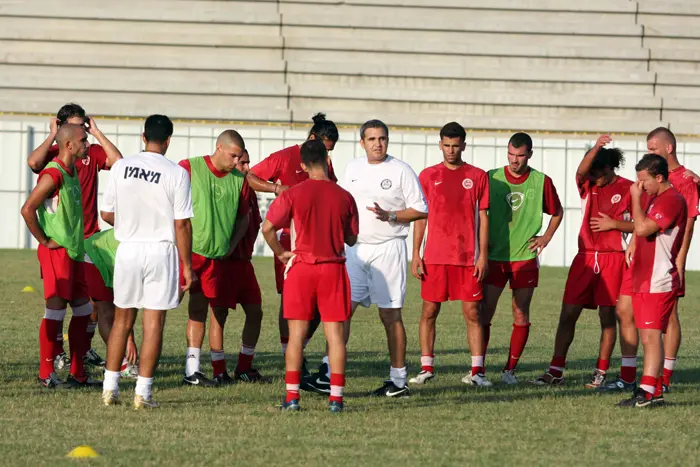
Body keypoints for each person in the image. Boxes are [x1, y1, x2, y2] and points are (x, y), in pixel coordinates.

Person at [100, 115, 194, 409]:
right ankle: (143, 393)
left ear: (143, 136)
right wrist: (187, 266)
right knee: (153, 325)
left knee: (121, 321)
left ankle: (110, 388)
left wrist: (130, 222)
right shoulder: (176, 172)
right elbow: (182, 225)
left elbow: (106, 213)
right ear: (168, 140)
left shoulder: (121, 166)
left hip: (127, 248)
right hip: (160, 250)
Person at [261, 138, 359, 412]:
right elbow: (351, 239)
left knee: (295, 336)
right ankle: (336, 399)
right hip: (333, 269)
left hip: (301, 269)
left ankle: (292, 398)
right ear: (328, 161)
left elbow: (267, 228)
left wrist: (281, 252)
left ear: (303, 165)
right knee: (335, 337)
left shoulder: (293, 194)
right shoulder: (344, 196)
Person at [599, 127, 699, 393]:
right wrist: (632, 241)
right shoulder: (648, 179)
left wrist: (680, 259)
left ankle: (662, 379)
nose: (649, 152)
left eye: (653, 148)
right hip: (643, 255)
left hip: (665, 260)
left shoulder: (684, 181)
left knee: (667, 319)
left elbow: (688, 223)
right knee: (625, 310)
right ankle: (630, 377)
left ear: (668, 148)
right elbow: (641, 219)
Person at [27, 103, 123, 370]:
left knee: (87, 306)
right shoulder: (56, 161)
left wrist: (97, 132)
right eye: (78, 128)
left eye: (84, 127)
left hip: (87, 240)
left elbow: (118, 162)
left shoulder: (88, 152)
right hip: (60, 246)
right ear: (65, 134)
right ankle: (54, 359)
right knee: (59, 305)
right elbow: (32, 172)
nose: (85, 134)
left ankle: (80, 360)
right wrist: (45, 241)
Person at [532, 135, 632, 387]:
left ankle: (600, 373)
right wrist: (596, 146)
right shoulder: (588, 185)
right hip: (585, 259)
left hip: (614, 260)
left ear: (609, 169)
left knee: (607, 318)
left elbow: (641, 224)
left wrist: (615, 224)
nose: (592, 178)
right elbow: (581, 170)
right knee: (568, 314)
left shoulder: (630, 188)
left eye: (598, 174)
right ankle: (555, 370)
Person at [338, 119, 428, 397]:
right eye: (372, 139)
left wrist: (390, 216)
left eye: (382, 138)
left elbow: (421, 210)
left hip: (388, 248)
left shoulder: (401, 170)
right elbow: (342, 203)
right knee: (342, 311)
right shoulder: (352, 168)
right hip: (355, 250)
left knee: (390, 315)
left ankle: (398, 380)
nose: (378, 143)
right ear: (362, 142)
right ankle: (331, 371)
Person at [247, 113, 339, 366]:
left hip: (320, 240)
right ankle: (288, 352)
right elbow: (250, 176)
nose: (327, 155)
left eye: (330, 151)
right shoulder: (284, 157)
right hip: (290, 239)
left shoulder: (324, 163)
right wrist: (277, 189)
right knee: (291, 298)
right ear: (312, 139)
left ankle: (298, 347)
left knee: (321, 304)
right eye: (325, 148)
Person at [409, 122, 491, 386]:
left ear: (464, 145)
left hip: (467, 258)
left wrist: (483, 256)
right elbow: (421, 217)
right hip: (434, 257)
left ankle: (477, 371)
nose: (451, 150)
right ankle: (426, 368)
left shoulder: (478, 176)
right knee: (429, 311)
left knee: (473, 313)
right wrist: (416, 253)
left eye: (456, 145)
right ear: (440, 144)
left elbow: (483, 217)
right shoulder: (428, 175)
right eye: (446, 145)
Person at [482, 132, 563, 384]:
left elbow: (557, 212)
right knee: (484, 313)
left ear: (529, 154)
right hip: (494, 257)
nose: (514, 160)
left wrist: (545, 238)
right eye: (510, 154)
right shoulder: (491, 177)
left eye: (519, 155)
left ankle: (509, 371)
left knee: (520, 313)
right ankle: (478, 369)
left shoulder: (541, 181)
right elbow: (477, 212)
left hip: (524, 258)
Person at [21, 123, 95, 388]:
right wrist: (43, 240)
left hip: (74, 251)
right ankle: (46, 374)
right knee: (55, 311)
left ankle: (78, 375)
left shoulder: (72, 169)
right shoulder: (53, 174)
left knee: (85, 311)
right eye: (84, 140)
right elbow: (28, 208)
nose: (87, 144)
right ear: (69, 145)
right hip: (57, 253)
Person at [178, 130, 251, 387]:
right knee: (159, 307)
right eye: (233, 156)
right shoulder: (188, 167)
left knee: (198, 311)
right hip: (185, 253)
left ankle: (192, 370)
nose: (235, 162)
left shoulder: (239, 180)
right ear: (219, 147)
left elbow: (245, 217)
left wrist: (230, 247)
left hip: (214, 258)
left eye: (238, 157)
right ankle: (133, 365)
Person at [618, 154, 686, 408]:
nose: (640, 186)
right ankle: (653, 390)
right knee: (648, 335)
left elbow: (644, 228)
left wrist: (636, 200)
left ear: (659, 177)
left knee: (650, 336)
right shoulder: (658, 198)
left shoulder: (672, 200)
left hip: (658, 279)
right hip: (644, 278)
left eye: (644, 180)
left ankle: (646, 391)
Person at [210, 149, 267, 384]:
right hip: (226, 262)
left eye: (247, 163)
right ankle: (218, 369)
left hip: (245, 263)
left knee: (255, 312)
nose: (245, 167)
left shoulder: (247, 188)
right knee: (219, 314)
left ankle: (244, 367)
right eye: (242, 162)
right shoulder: (226, 188)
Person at [84, 229, 139, 378]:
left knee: (96, 308)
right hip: (93, 256)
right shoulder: (138, 251)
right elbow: (127, 304)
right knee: (106, 310)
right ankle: (120, 362)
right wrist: (129, 341)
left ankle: (84, 352)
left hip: (108, 258)